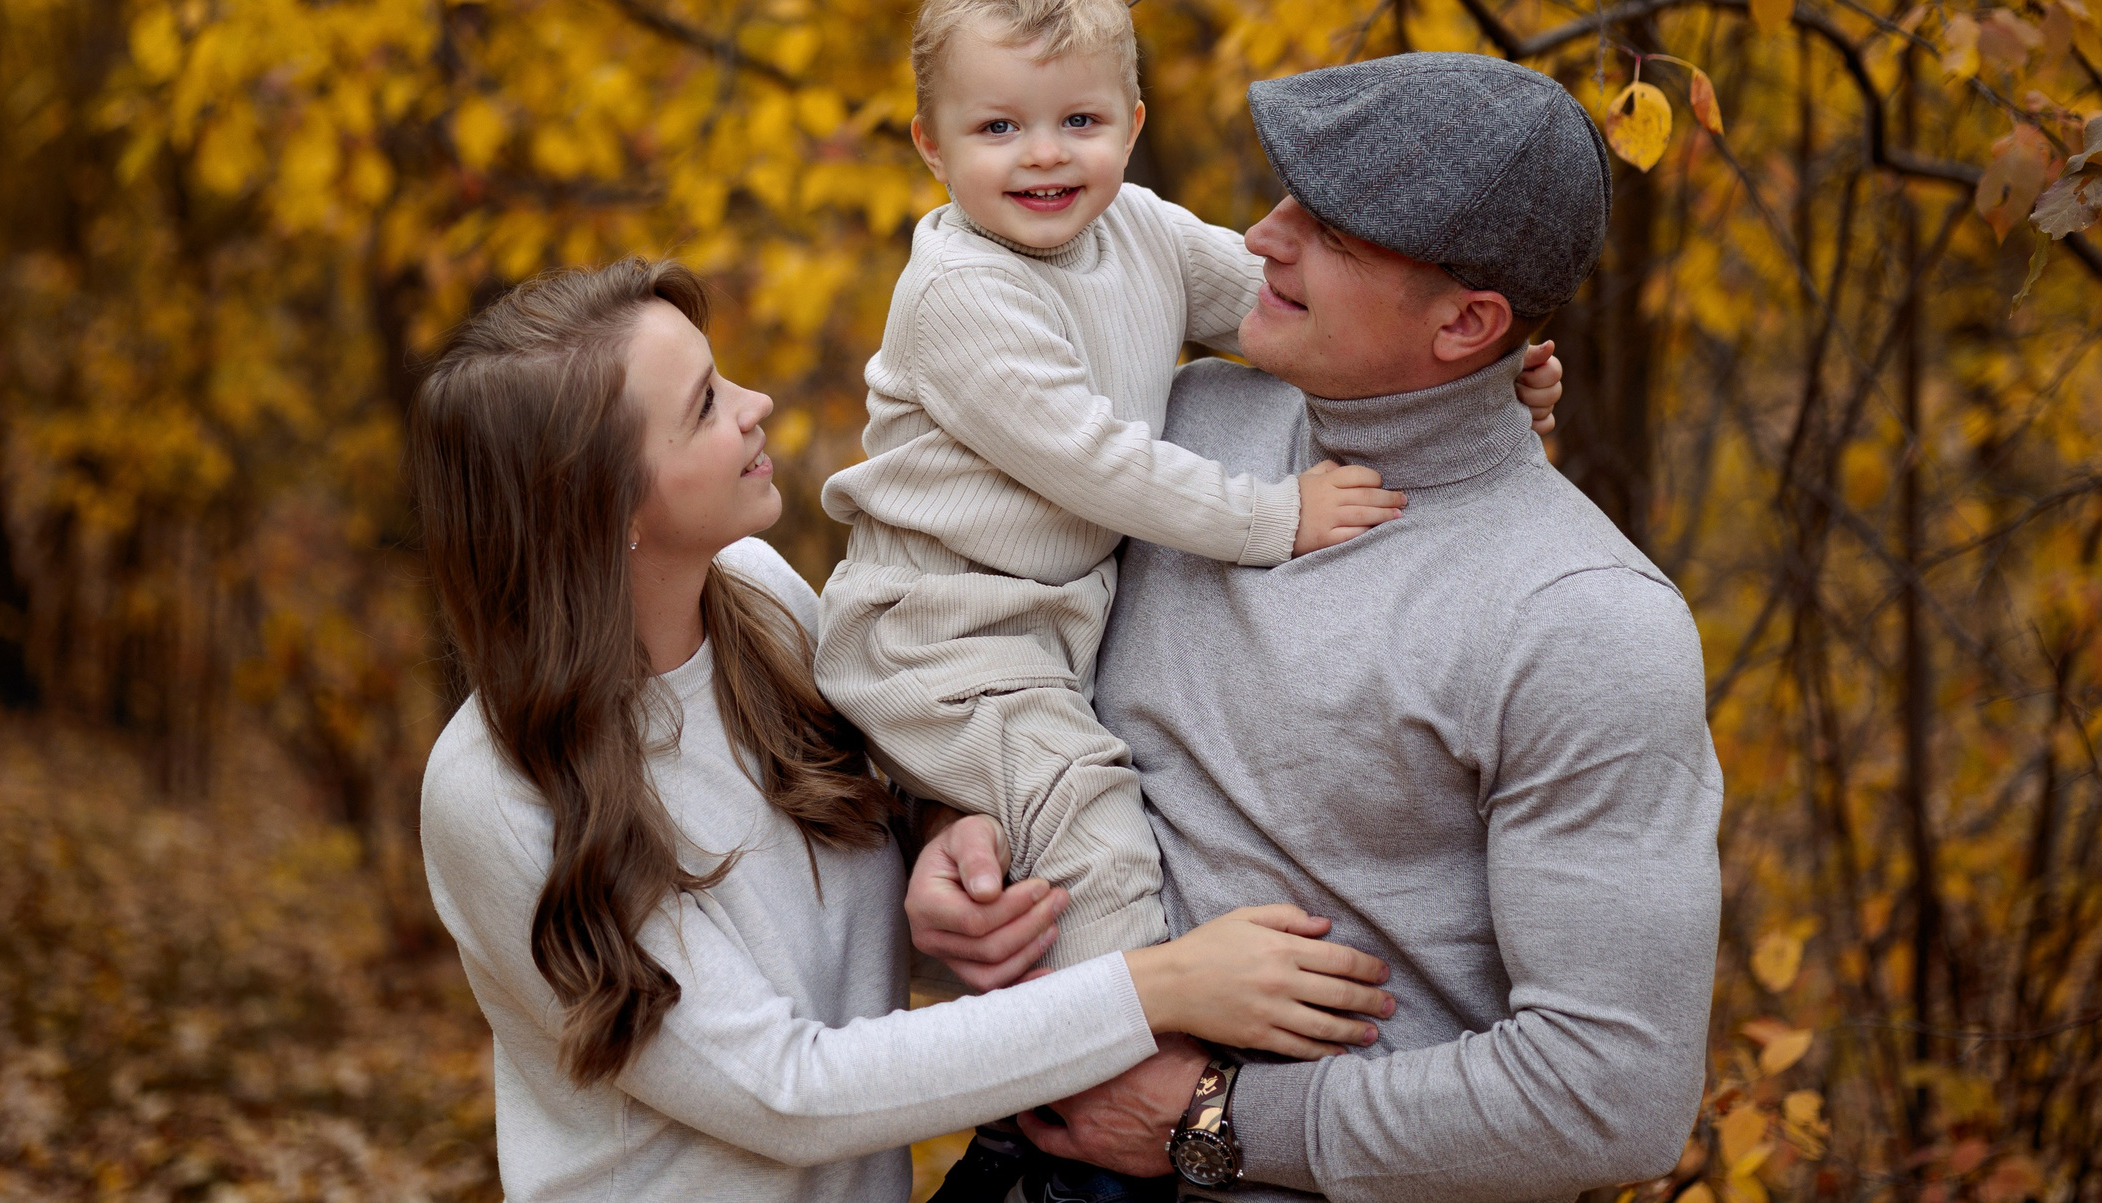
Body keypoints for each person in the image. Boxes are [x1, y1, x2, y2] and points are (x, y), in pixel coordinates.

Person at [411, 259, 1404, 1203]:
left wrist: (934, 844)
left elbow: (827, 887)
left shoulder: (758, 598)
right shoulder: (502, 790)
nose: (757, 403)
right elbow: (782, 1091)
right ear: (605, 504)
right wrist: (1157, 988)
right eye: (706, 405)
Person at [911, 54, 1724, 1203]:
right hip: (1016, 1173)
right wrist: (945, 827)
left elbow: (1609, 1094)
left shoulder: (1580, 619)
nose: (1259, 235)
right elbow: (971, 648)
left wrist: (1209, 1120)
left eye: (1331, 231)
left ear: (1467, 324)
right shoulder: (1166, 436)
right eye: (1287, 193)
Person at [814, 0, 1561, 980]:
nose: (1043, 155)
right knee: (1091, 831)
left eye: (1079, 121)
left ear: (1133, 123)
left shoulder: (1138, 230)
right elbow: (1096, 461)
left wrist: (1485, 376)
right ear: (930, 147)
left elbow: (1292, 317)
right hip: (944, 637)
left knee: (1073, 830)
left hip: (1051, 628)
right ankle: (1127, 1067)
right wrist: (1273, 518)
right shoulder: (959, 295)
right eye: (997, 127)